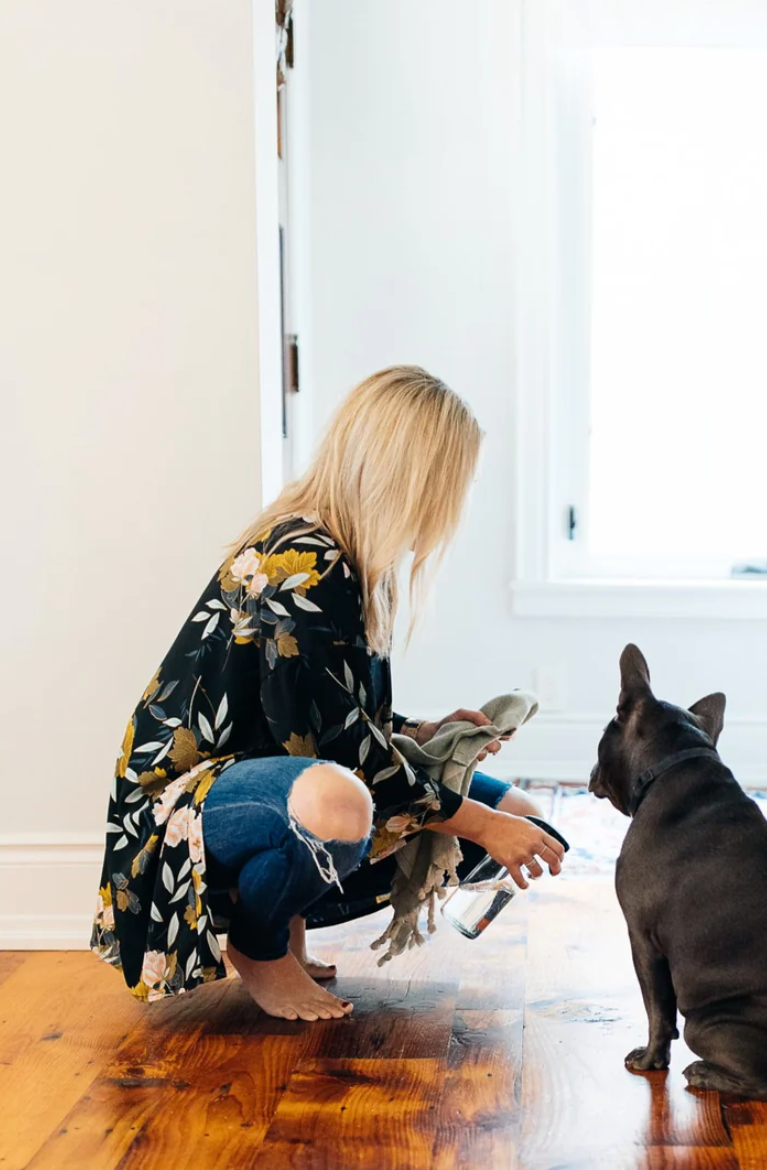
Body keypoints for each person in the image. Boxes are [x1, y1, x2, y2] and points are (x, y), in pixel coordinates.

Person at [91, 366, 566, 1019]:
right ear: (418, 478)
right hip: (179, 808)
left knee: (526, 821)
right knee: (345, 804)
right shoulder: (303, 563)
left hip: (257, 779)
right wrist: (483, 824)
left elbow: (316, 708)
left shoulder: (343, 558)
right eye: (457, 482)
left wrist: (424, 731)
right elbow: (345, 757)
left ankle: (285, 923)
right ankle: (259, 945)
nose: (457, 502)